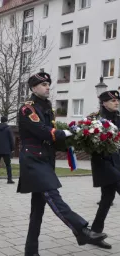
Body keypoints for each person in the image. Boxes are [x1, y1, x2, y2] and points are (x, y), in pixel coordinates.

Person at [17, 72, 108, 256]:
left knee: (37, 210)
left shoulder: (47, 107)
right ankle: (81, 230)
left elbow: (52, 139)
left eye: (48, 84)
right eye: (43, 84)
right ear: (34, 88)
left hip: (45, 161)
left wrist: (78, 136)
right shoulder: (28, 109)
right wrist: (63, 133)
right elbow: (42, 131)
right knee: (54, 197)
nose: (48, 87)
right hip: (34, 160)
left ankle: (30, 251)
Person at [87, 90, 120, 249]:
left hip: (118, 163)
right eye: (113, 100)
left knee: (107, 199)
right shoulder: (95, 119)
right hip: (104, 164)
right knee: (107, 198)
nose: (116, 103)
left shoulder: (119, 118)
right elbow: (87, 142)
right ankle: (94, 233)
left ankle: (94, 233)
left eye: (117, 100)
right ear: (104, 102)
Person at [0, 116, 15, 184]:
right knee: (8, 165)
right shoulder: (8, 128)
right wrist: (12, 149)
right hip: (6, 150)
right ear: (6, 121)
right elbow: (11, 139)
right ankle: (9, 179)